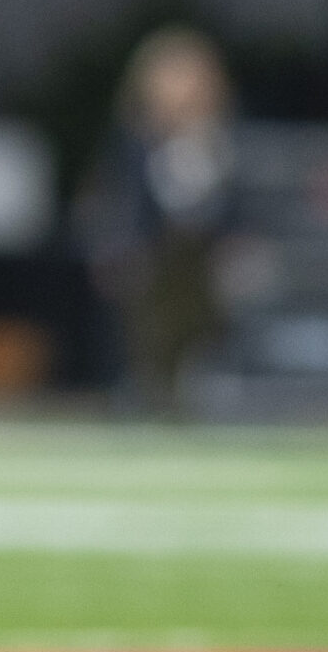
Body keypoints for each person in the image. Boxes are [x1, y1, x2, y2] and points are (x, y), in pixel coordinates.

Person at [78, 26, 236, 410]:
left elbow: (233, 211)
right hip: (149, 264)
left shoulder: (222, 144)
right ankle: (145, 385)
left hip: (203, 269)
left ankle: (197, 379)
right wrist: (115, 249)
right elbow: (114, 204)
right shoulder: (133, 145)